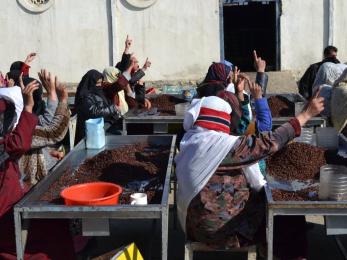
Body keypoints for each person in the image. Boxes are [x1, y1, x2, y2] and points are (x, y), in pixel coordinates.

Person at [175, 90, 324, 259]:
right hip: (223, 232)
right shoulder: (222, 147)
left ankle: (268, 250)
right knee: (287, 215)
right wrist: (306, 114)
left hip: (194, 227)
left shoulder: (190, 142)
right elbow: (271, 142)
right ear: (222, 119)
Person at [0, 82, 75, 259]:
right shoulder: (15, 136)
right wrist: (60, 99)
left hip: (23, 197)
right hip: (9, 212)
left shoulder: (16, 133)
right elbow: (53, 131)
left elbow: (45, 129)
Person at [19, 70, 70, 185]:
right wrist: (62, 99)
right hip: (22, 192)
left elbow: (40, 135)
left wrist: (48, 152)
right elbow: (53, 132)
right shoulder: (14, 130)